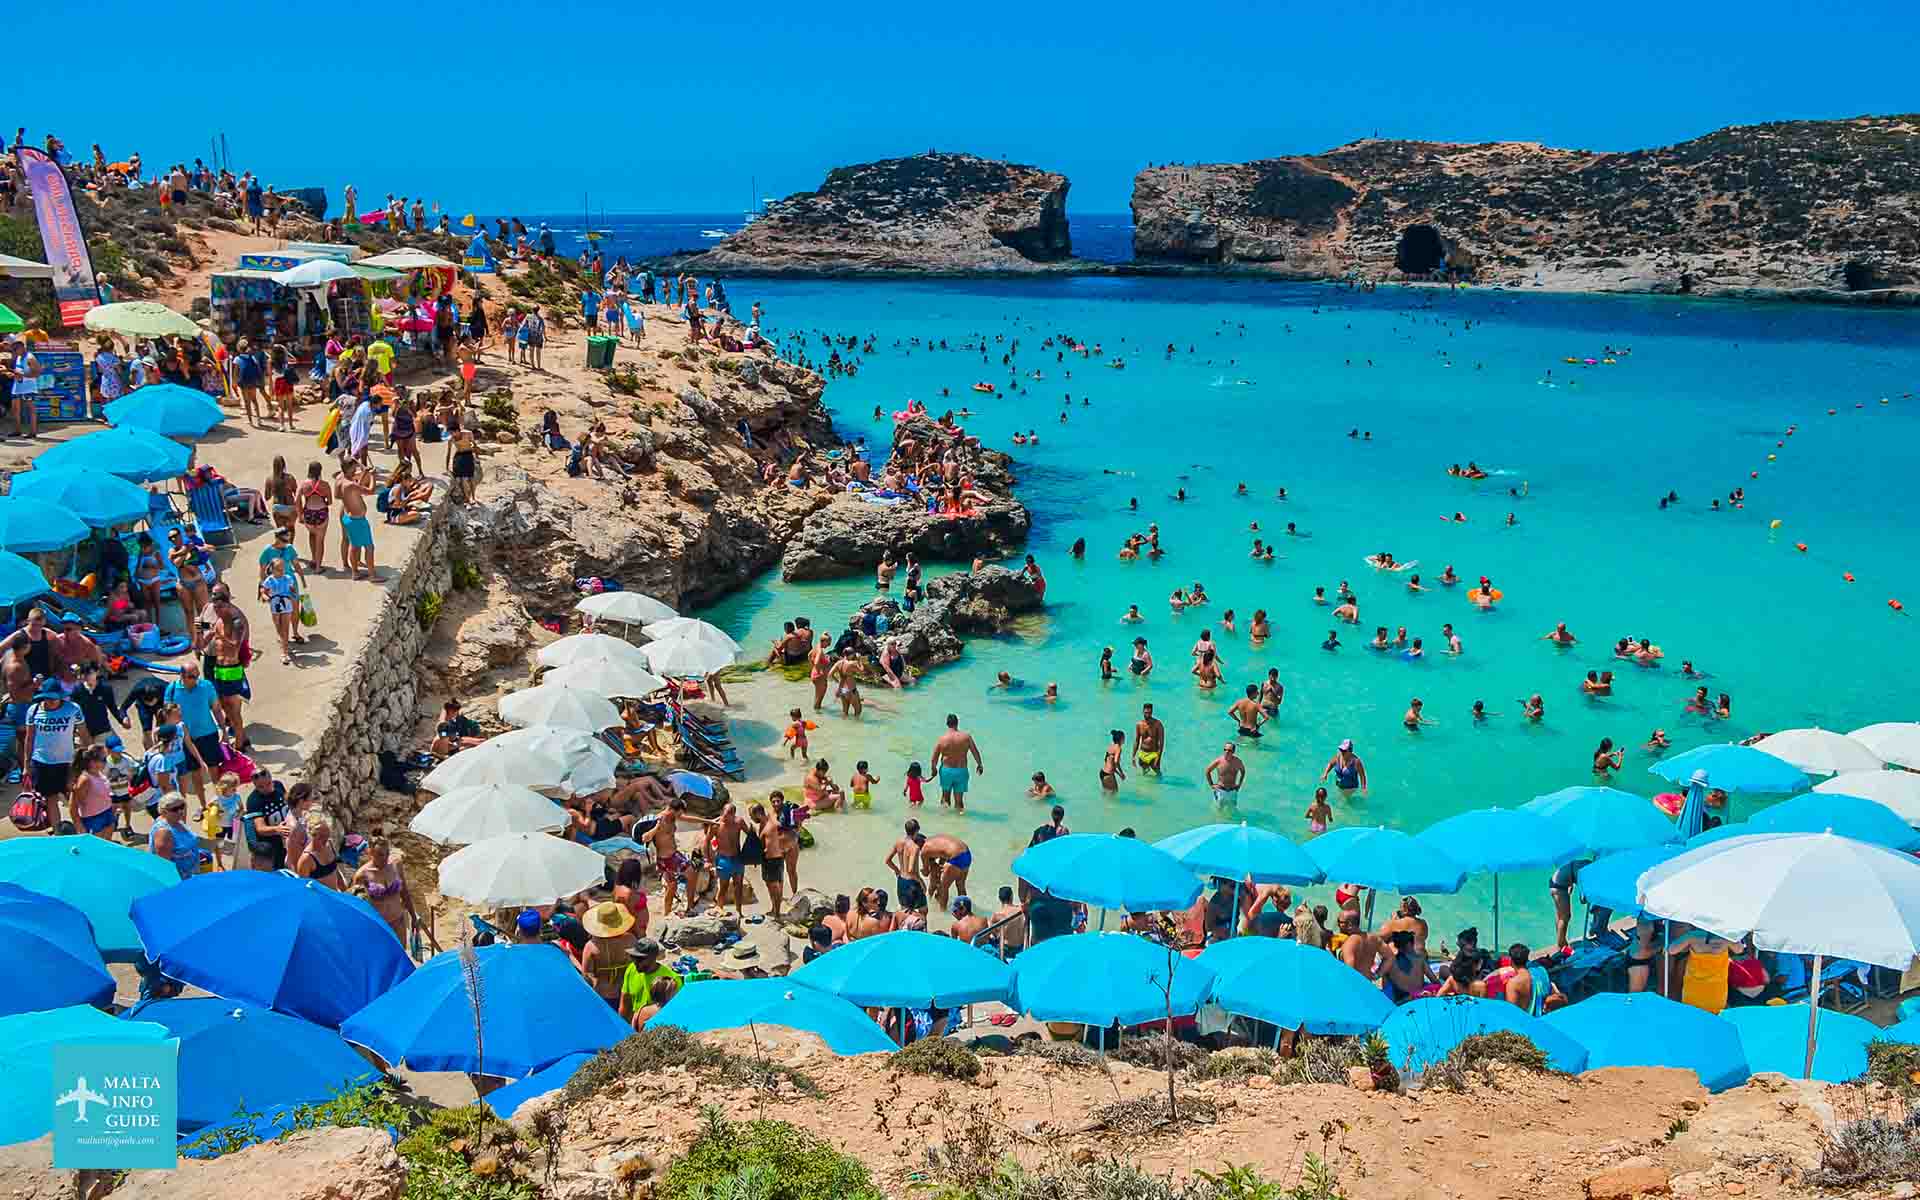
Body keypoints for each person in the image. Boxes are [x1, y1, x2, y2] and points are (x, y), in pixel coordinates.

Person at [24, 682, 84, 828]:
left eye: (54, 698)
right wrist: (26, 765)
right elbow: (29, 738)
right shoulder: (33, 710)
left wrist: (86, 758)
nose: (51, 701)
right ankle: (58, 832)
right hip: (42, 762)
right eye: (47, 698)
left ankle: (81, 829)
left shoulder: (73, 709)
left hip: (67, 762)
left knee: (74, 795)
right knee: (50, 798)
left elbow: (84, 733)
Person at [354, 835, 418, 949]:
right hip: (379, 926)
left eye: (387, 853)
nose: (385, 858)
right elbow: (358, 905)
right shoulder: (362, 875)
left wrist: (413, 917)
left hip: (398, 922)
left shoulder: (396, 864)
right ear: (371, 853)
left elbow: (405, 893)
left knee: (400, 954)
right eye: (381, 855)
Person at [579, 900, 637, 1009]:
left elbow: (586, 975)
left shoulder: (591, 947)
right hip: (627, 990)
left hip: (603, 993)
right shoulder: (631, 940)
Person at [241, 765, 291, 871]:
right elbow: (260, 828)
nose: (266, 789)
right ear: (255, 785)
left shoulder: (278, 785)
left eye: (268, 784)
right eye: (260, 787)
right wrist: (277, 829)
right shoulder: (254, 801)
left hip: (288, 838)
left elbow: (288, 801)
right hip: (272, 845)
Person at [929, 713, 982, 812]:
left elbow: (934, 759)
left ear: (947, 724)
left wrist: (934, 769)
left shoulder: (942, 739)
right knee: (959, 801)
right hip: (961, 771)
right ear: (957, 723)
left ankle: (944, 821)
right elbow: (975, 752)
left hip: (946, 771)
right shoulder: (966, 737)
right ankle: (960, 822)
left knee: (945, 797)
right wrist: (980, 765)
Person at [149, 792, 203, 879]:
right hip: (180, 880)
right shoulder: (164, 833)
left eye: (182, 806)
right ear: (164, 812)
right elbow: (165, 866)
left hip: (191, 874)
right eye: (175, 809)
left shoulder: (176, 821)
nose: (180, 811)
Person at [919, 832, 972, 909]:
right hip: (966, 854)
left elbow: (926, 873)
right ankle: (966, 912)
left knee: (944, 887)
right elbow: (944, 855)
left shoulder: (924, 849)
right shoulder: (935, 841)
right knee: (960, 885)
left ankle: (943, 911)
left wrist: (923, 871)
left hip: (956, 857)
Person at [886, 819, 928, 914]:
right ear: (917, 831)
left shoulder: (898, 842)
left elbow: (888, 861)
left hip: (901, 881)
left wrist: (897, 870)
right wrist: (921, 882)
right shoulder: (915, 847)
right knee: (923, 911)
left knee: (904, 912)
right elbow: (910, 870)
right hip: (912, 883)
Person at [1204, 742, 1246, 808]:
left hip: (1232, 790)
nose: (1226, 752)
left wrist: (1239, 785)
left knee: (1232, 810)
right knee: (1218, 811)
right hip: (1221, 790)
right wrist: (1211, 785)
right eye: (1225, 749)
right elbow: (1207, 771)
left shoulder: (1238, 761)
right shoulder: (1219, 761)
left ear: (1233, 751)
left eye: (1229, 750)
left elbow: (1243, 771)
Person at [1133, 702, 1165, 774]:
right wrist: (1133, 756)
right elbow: (1137, 741)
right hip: (1142, 753)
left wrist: (1158, 757)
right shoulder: (1139, 724)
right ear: (1143, 712)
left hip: (1153, 753)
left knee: (1157, 774)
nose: (1147, 715)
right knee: (1145, 774)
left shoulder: (1158, 724)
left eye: (1149, 713)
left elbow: (1161, 743)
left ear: (1152, 712)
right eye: (1146, 712)